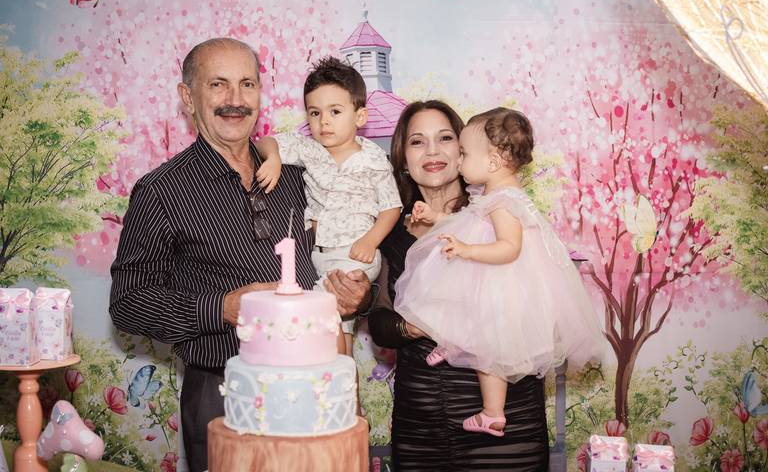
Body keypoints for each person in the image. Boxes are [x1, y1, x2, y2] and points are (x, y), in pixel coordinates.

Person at [109, 38, 370, 472]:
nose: (235, 99)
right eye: (218, 84)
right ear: (187, 97)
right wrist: (223, 307)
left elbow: (338, 251)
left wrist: (358, 292)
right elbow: (128, 303)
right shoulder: (161, 191)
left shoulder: (298, 175)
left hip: (315, 392)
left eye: (247, 84)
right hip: (224, 395)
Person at [395, 107, 604, 437]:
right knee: (450, 286)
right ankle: (452, 340)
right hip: (488, 278)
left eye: (464, 154)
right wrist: (436, 219)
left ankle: (492, 413)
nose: (458, 161)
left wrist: (468, 250)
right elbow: (467, 221)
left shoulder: (505, 201)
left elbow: (509, 248)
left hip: (501, 282)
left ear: (492, 162)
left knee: (490, 349)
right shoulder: (492, 195)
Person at [366, 100, 551, 471]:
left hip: (506, 419)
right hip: (422, 423)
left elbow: (531, 299)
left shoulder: (496, 215)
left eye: (446, 138)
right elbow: (379, 324)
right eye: (417, 141)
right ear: (402, 159)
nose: (432, 150)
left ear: (470, 150)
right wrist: (419, 326)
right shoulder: (386, 232)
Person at [255, 56, 402, 355]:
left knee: (322, 313)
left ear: (360, 116)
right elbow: (266, 142)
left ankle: (331, 376)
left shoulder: (373, 158)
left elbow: (391, 207)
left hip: (356, 254)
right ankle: (345, 383)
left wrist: (370, 241)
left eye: (335, 111)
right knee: (340, 331)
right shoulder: (308, 149)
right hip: (321, 256)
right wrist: (273, 158)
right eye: (315, 112)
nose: (324, 121)